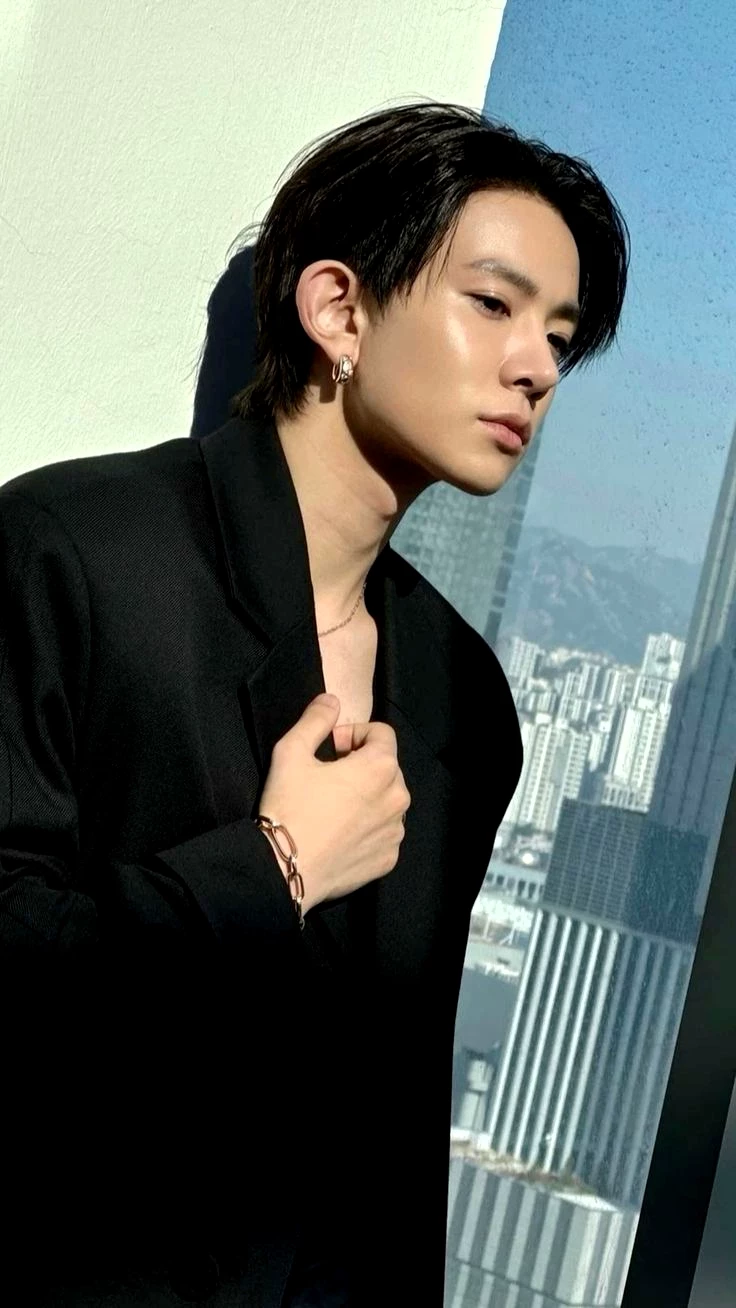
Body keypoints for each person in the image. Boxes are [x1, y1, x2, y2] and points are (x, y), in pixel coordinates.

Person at [0, 100, 628, 1307]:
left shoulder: (460, 696)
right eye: (492, 305)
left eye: (558, 335)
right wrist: (274, 865)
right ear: (338, 308)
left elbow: (390, 1123)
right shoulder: (72, 554)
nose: (538, 367)